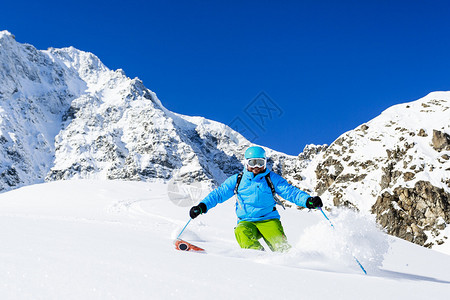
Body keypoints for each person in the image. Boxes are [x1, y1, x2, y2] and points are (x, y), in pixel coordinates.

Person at [189, 146, 323, 252]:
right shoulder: (237, 179)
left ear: (265, 162)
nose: (256, 167)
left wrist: (308, 201)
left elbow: (290, 192)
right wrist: (202, 206)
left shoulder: (271, 178)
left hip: (269, 220)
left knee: (281, 248)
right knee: (241, 232)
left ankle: (295, 266)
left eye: (260, 162)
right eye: (252, 163)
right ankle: (258, 259)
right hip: (246, 221)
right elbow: (218, 194)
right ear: (246, 163)